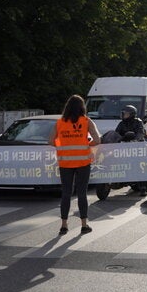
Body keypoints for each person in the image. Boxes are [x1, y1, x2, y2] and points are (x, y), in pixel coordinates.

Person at [51, 94, 101, 235]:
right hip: (83, 162)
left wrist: (64, 143)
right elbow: (97, 140)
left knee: (66, 194)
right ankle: (84, 225)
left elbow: (51, 141)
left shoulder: (60, 122)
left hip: (65, 162)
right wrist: (85, 143)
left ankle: (64, 225)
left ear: (67, 107)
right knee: (82, 194)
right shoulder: (86, 121)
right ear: (82, 107)